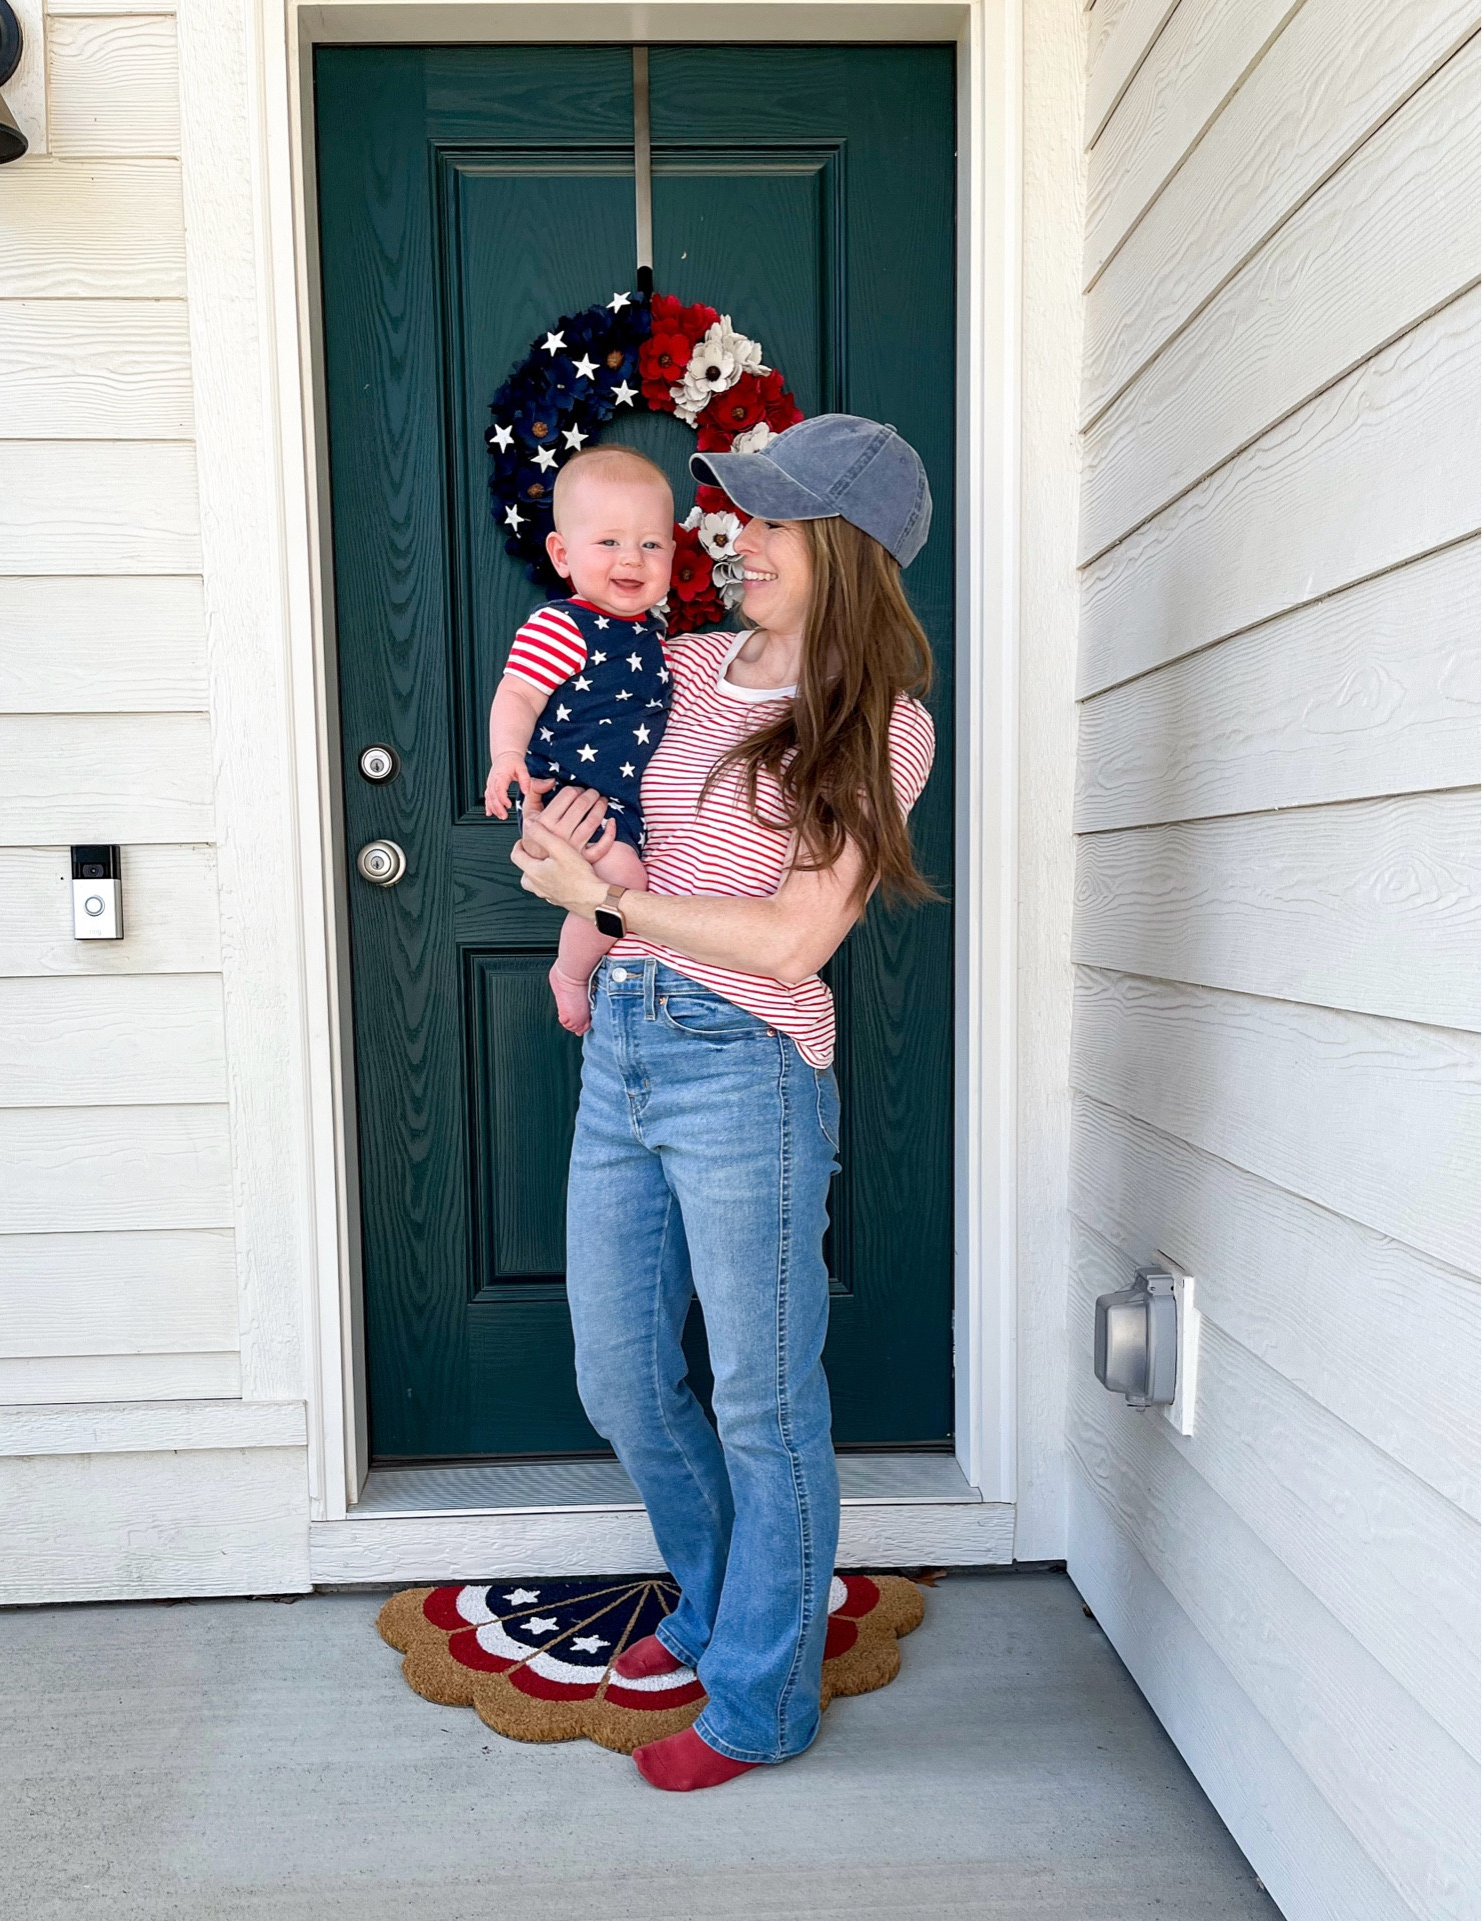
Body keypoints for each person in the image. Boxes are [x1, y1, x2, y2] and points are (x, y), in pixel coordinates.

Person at [511, 414, 937, 1792]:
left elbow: (798, 938)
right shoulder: (678, 662)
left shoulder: (880, 723)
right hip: (624, 1042)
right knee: (620, 1376)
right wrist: (553, 829)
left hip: (744, 1058)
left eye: (765, 518)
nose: (731, 537)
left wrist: (615, 900)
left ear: (846, 549)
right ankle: (717, 1609)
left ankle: (761, 1700)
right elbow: (570, 758)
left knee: (761, 1398)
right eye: (733, 513)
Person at [485, 445, 676, 1035]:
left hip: (617, 803)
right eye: (610, 542)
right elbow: (518, 694)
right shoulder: (562, 625)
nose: (632, 559)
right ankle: (570, 973)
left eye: (651, 544)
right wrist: (507, 758)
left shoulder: (652, 633)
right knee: (625, 881)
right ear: (562, 555)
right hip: (564, 796)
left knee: (628, 877)